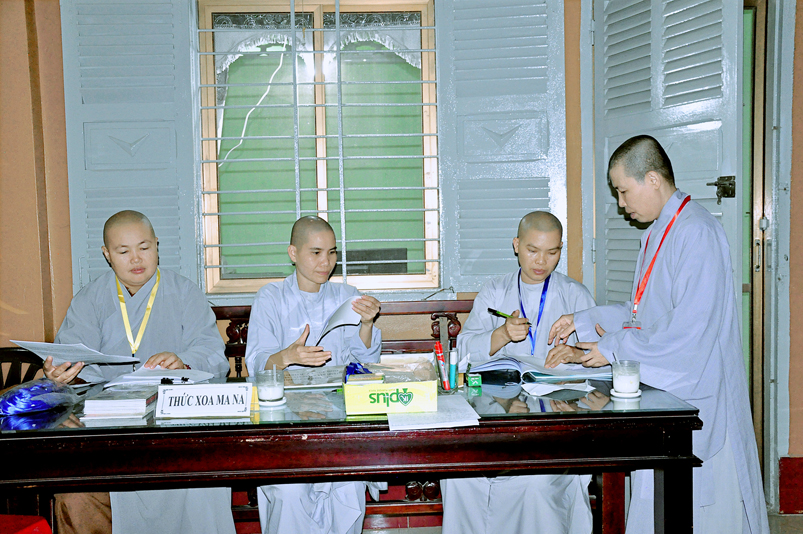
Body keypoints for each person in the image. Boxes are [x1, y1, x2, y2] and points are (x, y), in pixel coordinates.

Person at [546, 135, 770, 534]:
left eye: (623, 191)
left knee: (695, 511)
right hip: (666, 389)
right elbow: (643, 314)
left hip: (695, 389)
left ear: (652, 179)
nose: (621, 204)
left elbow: (688, 330)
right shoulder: (657, 231)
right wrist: (583, 319)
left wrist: (612, 347)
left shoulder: (697, 231)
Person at [44, 210, 235, 534]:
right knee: (75, 489)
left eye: (144, 247)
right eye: (123, 251)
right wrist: (62, 373)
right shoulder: (90, 299)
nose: (136, 259)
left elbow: (213, 354)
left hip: (175, 419)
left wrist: (184, 361)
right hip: (109, 423)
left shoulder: (185, 292)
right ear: (107, 254)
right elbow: (71, 357)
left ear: (157, 245)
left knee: (200, 475)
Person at [442, 211, 596, 534]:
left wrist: (577, 354)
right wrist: (501, 334)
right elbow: (464, 351)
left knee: (534, 485)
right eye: (532, 250)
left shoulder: (574, 294)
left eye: (552, 252)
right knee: (459, 479)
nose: (541, 261)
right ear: (516, 245)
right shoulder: (495, 291)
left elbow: (602, 357)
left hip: (556, 419)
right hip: (498, 416)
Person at [244, 215, 382, 534]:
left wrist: (367, 324)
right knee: (291, 492)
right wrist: (288, 356)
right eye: (316, 252)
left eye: (332, 253)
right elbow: (257, 364)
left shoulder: (347, 295)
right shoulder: (270, 297)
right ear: (293, 253)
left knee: (348, 486)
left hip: (338, 414)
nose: (326, 262)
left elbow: (366, 361)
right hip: (284, 417)